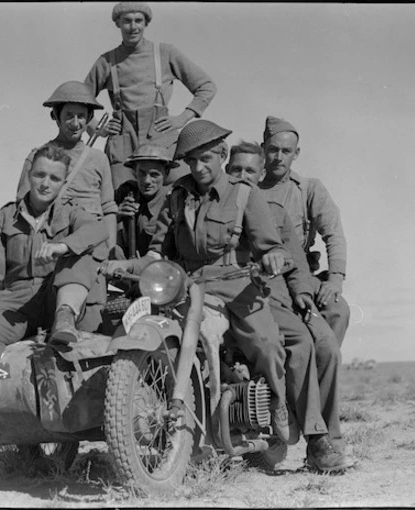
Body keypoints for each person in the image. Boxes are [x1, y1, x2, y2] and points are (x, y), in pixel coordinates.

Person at [104, 119, 295, 444]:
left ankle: (277, 404)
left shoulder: (244, 195)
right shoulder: (177, 198)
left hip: (237, 287)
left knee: (267, 344)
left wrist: (273, 258)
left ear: (221, 154)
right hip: (189, 287)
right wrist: (121, 265)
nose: (198, 166)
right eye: (191, 160)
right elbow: (156, 255)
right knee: (158, 336)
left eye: (204, 158)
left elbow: (271, 246)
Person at [0, 145, 109, 443]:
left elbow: (99, 232)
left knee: (79, 256)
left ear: (63, 182)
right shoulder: (5, 218)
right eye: (40, 175)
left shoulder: (73, 214)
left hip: (60, 293)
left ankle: (65, 318)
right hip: (18, 300)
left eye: (54, 178)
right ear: (29, 175)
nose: (45, 184)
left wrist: (64, 246)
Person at [227, 141, 353, 471]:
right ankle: (311, 429)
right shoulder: (215, 207)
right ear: (226, 171)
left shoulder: (277, 212)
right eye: (236, 170)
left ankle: (319, 437)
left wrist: (305, 295)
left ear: (260, 174)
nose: (242, 178)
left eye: (250, 172)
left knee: (321, 345)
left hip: (275, 296)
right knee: (301, 343)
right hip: (233, 298)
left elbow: (296, 262)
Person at [16, 81, 118, 339]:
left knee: (90, 331)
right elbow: (24, 207)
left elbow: (108, 209)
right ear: (56, 117)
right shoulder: (38, 157)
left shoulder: (98, 159)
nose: (75, 123)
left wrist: (110, 254)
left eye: (81, 116)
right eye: (68, 115)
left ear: (89, 119)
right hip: (51, 250)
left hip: (92, 253)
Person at [84, 1, 217, 190]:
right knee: (122, 198)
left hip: (161, 136)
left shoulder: (166, 53)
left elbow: (206, 86)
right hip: (123, 141)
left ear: (146, 23)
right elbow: (81, 100)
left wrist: (183, 118)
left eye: (138, 20)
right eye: (127, 21)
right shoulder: (106, 61)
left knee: (180, 191)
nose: (133, 27)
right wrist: (98, 128)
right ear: (118, 23)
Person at [258, 116, 351, 347]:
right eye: (273, 150)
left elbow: (334, 234)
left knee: (337, 310)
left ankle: (320, 379)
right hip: (257, 274)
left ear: (296, 154)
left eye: (286, 151)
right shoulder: (248, 188)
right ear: (262, 150)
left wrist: (335, 279)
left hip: (299, 274)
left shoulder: (308, 190)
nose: (279, 157)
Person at [114, 143, 175, 259]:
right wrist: (115, 215)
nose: (147, 181)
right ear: (134, 171)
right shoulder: (125, 191)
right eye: (141, 173)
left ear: (166, 173)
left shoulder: (173, 199)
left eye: (154, 175)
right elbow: (97, 226)